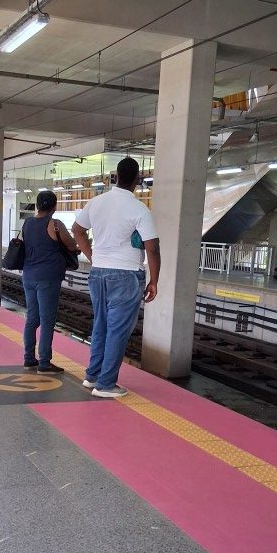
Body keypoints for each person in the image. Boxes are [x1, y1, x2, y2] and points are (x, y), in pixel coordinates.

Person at [73, 157, 160, 398]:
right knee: (117, 331)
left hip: (98, 273)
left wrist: (93, 257)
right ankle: (106, 385)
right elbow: (152, 249)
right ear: (137, 179)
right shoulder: (139, 209)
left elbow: (77, 230)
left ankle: (92, 376)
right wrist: (154, 281)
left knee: (101, 325)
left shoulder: (96, 202)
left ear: (116, 177)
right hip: (126, 275)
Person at [21, 190, 78, 373]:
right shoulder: (55, 224)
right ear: (54, 206)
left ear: (37, 205)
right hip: (48, 277)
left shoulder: (27, 223)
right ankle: (44, 362)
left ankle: (29, 358)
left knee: (32, 318)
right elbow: (71, 245)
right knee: (47, 320)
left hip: (29, 275)